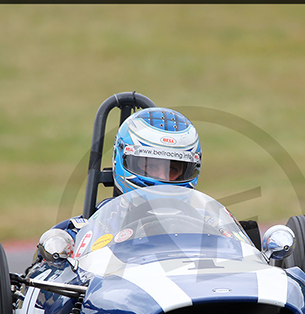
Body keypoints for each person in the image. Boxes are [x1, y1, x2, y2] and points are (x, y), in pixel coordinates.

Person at [38, 108, 203, 259]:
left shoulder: (208, 226)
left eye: (172, 169)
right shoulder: (88, 229)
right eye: (150, 166)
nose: (161, 177)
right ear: (121, 159)